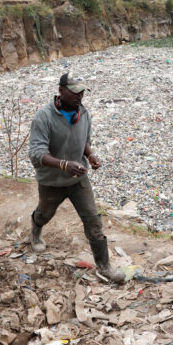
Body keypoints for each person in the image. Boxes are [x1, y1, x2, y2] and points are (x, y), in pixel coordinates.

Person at [28, 72, 125, 283]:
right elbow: (36, 153)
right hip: (51, 181)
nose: (79, 97)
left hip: (78, 179)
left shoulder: (83, 113)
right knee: (45, 214)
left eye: (82, 92)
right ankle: (35, 230)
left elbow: (84, 141)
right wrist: (63, 164)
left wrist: (90, 156)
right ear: (61, 91)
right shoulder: (43, 117)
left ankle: (105, 267)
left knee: (93, 220)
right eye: (74, 92)